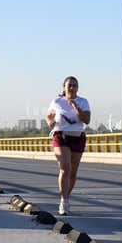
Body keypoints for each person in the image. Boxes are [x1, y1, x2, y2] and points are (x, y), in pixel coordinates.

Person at [45, 76, 91, 215]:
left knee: (73, 172)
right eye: (69, 85)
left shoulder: (83, 101)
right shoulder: (57, 101)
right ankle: (64, 202)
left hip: (78, 138)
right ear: (63, 87)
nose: (72, 88)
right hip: (61, 136)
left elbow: (87, 120)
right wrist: (50, 121)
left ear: (78, 88)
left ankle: (66, 197)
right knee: (65, 168)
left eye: (74, 85)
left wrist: (76, 107)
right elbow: (49, 116)